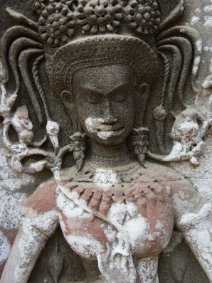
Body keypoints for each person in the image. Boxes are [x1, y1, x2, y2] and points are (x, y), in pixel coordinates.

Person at [0, 0, 211, 282]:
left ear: (142, 94)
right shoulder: (57, 193)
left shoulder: (171, 187)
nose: (108, 114)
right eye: (93, 100)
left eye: (121, 97)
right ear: (70, 102)